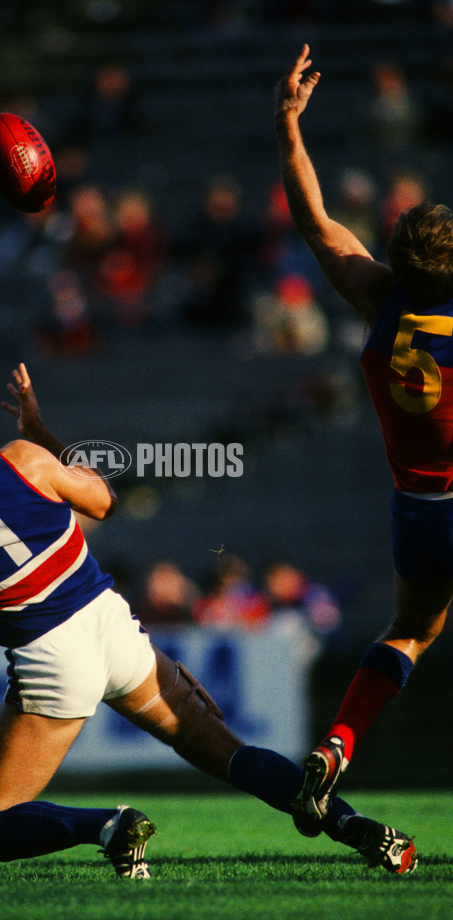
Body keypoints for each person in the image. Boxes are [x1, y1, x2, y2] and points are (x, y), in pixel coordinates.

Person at [0, 360, 417, 876]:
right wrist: (39, 433)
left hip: (51, 658)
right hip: (113, 627)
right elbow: (102, 500)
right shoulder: (23, 459)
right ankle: (358, 826)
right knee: (231, 754)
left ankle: (108, 825)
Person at [274, 44, 453, 835]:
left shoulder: (380, 300)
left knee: (412, 630)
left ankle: (340, 742)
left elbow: (316, 223)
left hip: (417, 511)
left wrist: (288, 127)